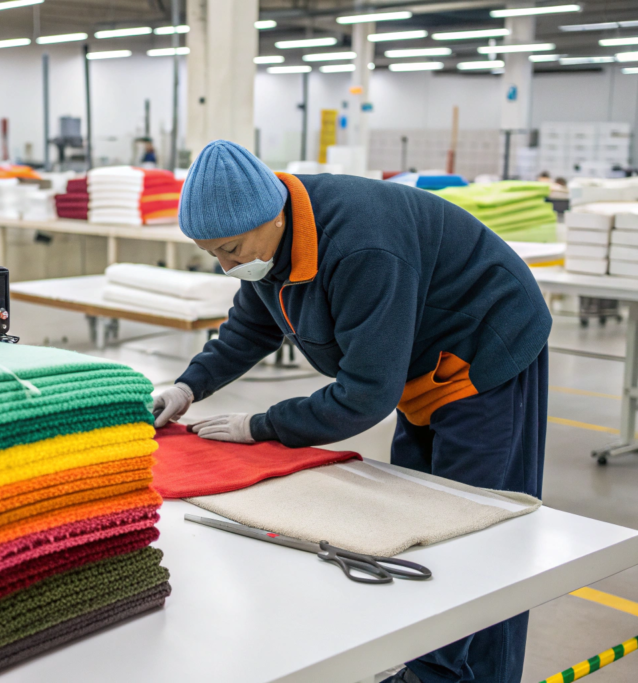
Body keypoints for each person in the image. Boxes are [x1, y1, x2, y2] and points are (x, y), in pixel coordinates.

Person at [153, 140, 550, 683]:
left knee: (478, 530)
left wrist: (261, 426)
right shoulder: (269, 244)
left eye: (231, 249)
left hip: (486, 347)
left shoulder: (363, 246)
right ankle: (431, 671)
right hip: (420, 364)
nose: (226, 266)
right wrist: (188, 387)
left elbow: (365, 395)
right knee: (424, 519)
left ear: (272, 215)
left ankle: (477, 677)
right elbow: (251, 327)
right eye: (212, 254)